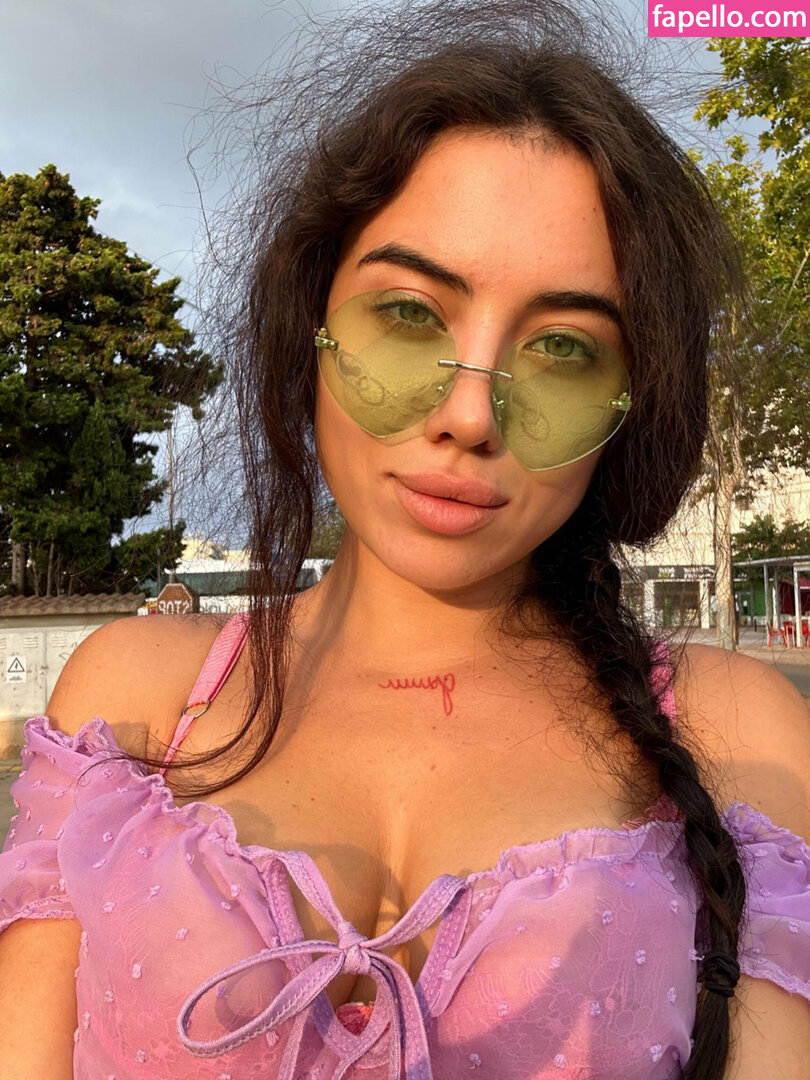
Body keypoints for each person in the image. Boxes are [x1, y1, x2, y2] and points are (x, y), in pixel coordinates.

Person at [1, 2, 808, 1078]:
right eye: (412, 316)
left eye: (564, 350)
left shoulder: (736, 731)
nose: (470, 416)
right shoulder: (129, 704)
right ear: (311, 321)